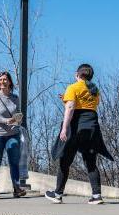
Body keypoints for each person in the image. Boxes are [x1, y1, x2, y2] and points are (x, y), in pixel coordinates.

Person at [45, 64, 113, 205]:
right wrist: (66, 99)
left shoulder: (73, 87)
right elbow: (86, 105)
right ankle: (96, 196)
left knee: (65, 161)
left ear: (77, 74)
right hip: (92, 129)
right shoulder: (95, 90)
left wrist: (64, 129)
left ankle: (57, 194)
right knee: (91, 162)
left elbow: (71, 108)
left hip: (77, 129)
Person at [0, 71, 26, 198]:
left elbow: (18, 113)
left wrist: (17, 119)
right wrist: (5, 121)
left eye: (5, 79)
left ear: (9, 82)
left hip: (13, 134)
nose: (2, 82)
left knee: (14, 161)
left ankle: (16, 187)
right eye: (0, 80)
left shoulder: (15, 98)